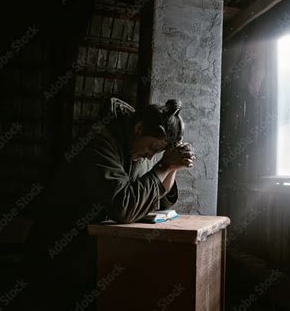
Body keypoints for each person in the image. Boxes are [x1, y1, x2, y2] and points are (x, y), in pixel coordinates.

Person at [19, 98, 195, 310]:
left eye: (156, 154)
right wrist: (164, 165)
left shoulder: (138, 147)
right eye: (151, 148)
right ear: (139, 128)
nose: (150, 156)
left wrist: (173, 166)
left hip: (92, 250)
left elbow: (157, 203)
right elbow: (124, 207)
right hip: (58, 252)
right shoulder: (99, 143)